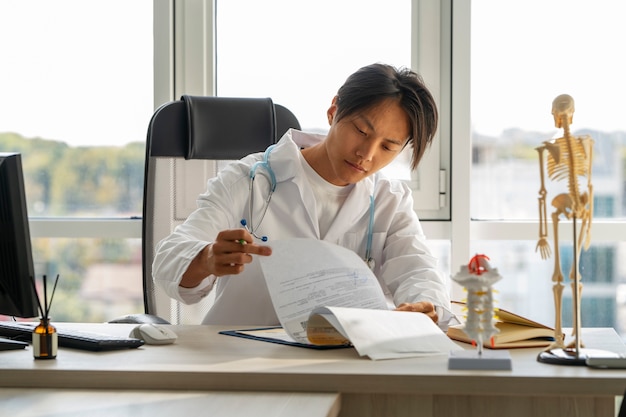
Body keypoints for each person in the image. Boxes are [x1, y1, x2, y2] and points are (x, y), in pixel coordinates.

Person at [153, 63, 454, 329]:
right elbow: (169, 258)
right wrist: (206, 258)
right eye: (361, 131)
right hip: (242, 357)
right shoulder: (249, 179)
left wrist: (424, 306)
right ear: (334, 110)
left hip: (342, 361)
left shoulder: (390, 200)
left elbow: (417, 269)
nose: (367, 153)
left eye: (388, 147)